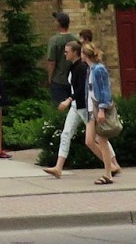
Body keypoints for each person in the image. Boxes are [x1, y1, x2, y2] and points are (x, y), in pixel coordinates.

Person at [42, 38, 89, 178]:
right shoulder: (72, 67)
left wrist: (69, 99)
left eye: (67, 52)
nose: (65, 54)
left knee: (96, 136)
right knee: (66, 133)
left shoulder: (82, 68)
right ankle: (58, 167)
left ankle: (113, 163)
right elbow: (73, 86)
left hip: (83, 106)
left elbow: (82, 88)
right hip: (75, 106)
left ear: (75, 53)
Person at [81, 41, 122, 184]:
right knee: (89, 141)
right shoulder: (90, 70)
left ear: (85, 54)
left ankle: (108, 173)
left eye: (82, 52)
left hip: (98, 109)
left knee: (102, 140)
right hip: (91, 110)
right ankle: (111, 167)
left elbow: (105, 90)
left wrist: (102, 109)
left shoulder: (99, 69)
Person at [45, 11, 79, 104]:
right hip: (73, 78)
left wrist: (50, 78)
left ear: (58, 23)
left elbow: (51, 61)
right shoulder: (75, 39)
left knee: (59, 107)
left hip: (58, 80)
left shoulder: (54, 40)